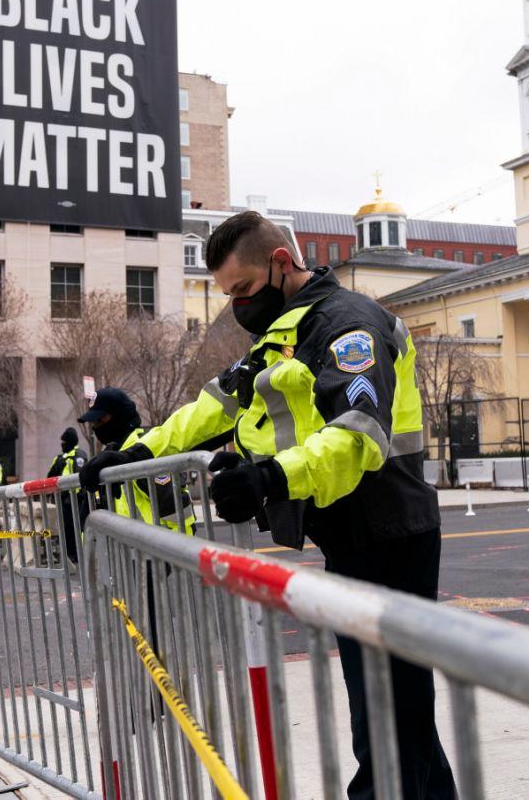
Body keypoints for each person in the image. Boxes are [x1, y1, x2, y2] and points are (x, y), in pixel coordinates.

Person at [79, 211, 456, 800]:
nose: (238, 307)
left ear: (282, 263)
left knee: (386, 715)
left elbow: (357, 434)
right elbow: (211, 409)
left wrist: (270, 477)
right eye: (229, 296)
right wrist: (131, 451)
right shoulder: (285, 334)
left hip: (390, 531)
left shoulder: (348, 327)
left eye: (244, 290)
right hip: (352, 533)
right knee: (397, 713)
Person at [78, 388, 193, 533]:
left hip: (161, 549)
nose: (95, 427)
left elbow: (178, 517)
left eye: (100, 420)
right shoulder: (107, 458)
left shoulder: (150, 451)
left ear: (120, 416)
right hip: (128, 552)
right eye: (93, 423)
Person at [47, 428, 88, 563]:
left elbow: (80, 476)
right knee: (66, 528)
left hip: (77, 499)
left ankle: (80, 554)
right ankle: (70, 555)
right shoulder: (59, 458)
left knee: (79, 527)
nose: (62, 444)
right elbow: (50, 476)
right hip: (63, 499)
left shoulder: (79, 455)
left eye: (64, 441)